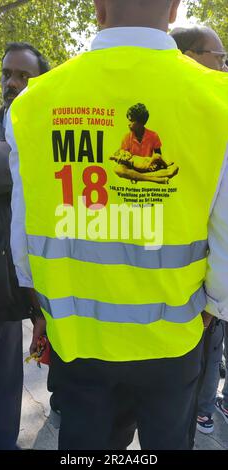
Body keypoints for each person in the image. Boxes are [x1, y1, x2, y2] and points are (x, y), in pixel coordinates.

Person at [7, 0, 228, 450]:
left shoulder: (34, 102)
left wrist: (42, 304)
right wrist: (213, 309)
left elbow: (22, 231)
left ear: (98, 8)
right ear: (174, 10)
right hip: (173, 339)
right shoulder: (216, 98)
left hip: (78, 340)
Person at [0, 42, 49, 450]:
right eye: (8, 74)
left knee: (4, 400)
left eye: (24, 76)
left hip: (17, 298)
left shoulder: (48, 132)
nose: (13, 83)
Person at [171, 25, 228, 435]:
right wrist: (215, 302)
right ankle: (203, 410)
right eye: (218, 57)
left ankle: (204, 407)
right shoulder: (205, 117)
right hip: (195, 296)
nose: (224, 66)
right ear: (190, 56)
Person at [110, 102, 179, 183]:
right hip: (133, 168)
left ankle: (137, 177)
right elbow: (124, 155)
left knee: (175, 168)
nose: (128, 124)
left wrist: (154, 165)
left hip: (148, 167)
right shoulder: (126, 137)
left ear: (140, 122)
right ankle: (154, 179)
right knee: (118, 169)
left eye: (131, 121)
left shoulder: (153, 135)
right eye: (128, 120)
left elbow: (158, 155)